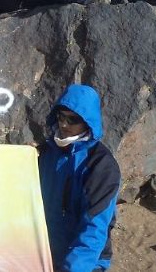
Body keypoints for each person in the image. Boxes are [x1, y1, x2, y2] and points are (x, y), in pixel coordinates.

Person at [38, 84, 121, 272]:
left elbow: (93, 230)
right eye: (60, 116)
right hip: (45, 253)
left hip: (85, 262)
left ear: (87, 121)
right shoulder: (45, 153)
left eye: (72, 119)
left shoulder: (101, 166)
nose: (64, 124)